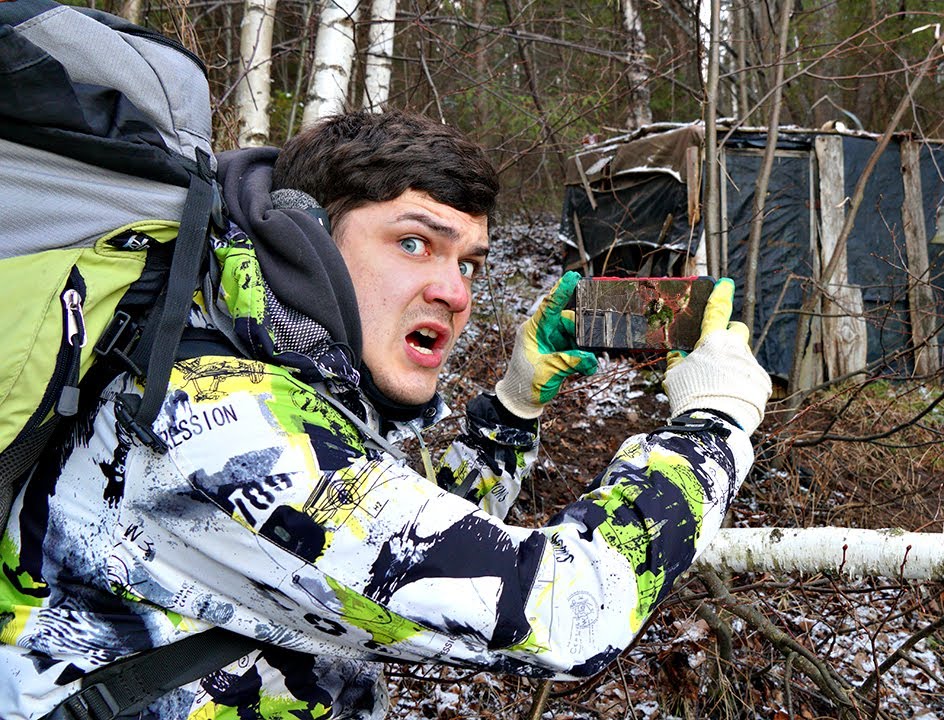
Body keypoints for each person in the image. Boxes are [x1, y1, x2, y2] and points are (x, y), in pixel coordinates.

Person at [0, 111, 771, 719]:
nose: (457, 292)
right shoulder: (220, 419)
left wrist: (513, 406)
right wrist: (713, 424)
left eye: (468, 261)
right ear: (304, 237)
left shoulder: (256, 372)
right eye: (414, 243)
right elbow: (566, 609)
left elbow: (391, 552)